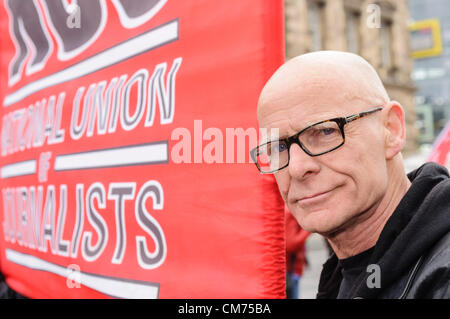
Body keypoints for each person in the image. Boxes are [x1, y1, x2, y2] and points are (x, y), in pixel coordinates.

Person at [250, 51, 450, 299]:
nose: (297, 168)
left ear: (391, 130)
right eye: (278, 147)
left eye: (324, 132)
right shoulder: (342, 275)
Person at [285, 205, 310, 298]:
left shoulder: (291, 211)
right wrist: (308, 229)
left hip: (292, 268)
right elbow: (291, 244)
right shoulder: (289, 212)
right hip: (289, 270)